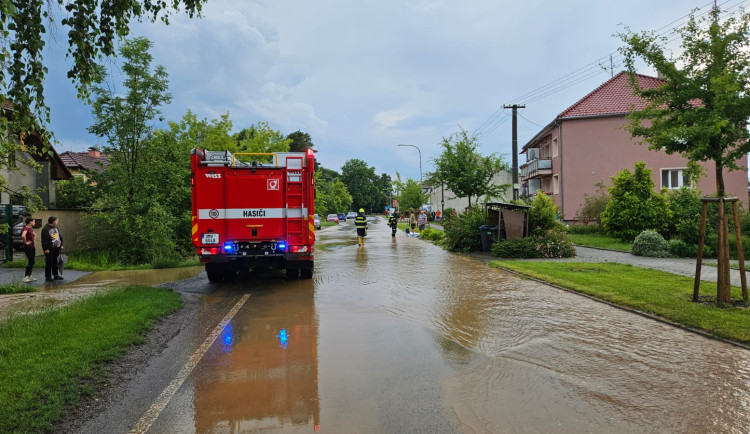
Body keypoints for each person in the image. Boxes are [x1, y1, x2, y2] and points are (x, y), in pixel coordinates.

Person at [41, 216, 64, 282]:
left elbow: (59, 237)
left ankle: (55, 275)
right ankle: (48, 276)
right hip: (49, 248)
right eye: (56, 220)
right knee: (49, 262)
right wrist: (46, 248)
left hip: (56, 247)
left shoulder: (56, 228)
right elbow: (44, 240)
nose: (57, 222)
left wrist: (60, 245)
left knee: (55, 262)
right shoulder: (46, 229)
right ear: (53, 221)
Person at [21, 217, 37, 283]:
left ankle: (29, 275)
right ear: (30, 222)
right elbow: (23, 236)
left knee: (32, 261)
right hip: (27, 247)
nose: (34, 223)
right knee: (31, 260)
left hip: (32, 246)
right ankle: (26, 277)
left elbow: (35, 235)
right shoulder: (26, 228)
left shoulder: (30, 229)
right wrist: (26, 242)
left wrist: (32, 241)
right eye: (34, 221)